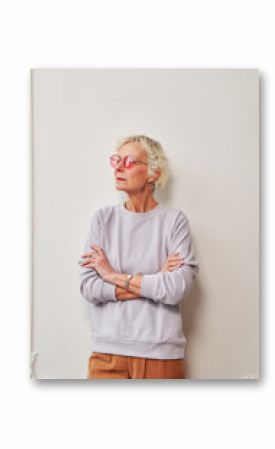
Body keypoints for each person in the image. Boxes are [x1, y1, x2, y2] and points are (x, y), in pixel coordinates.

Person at [79, 134, 199, 379]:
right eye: (116, 161)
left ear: (153, 173)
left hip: (162, 354)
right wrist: (156, 279)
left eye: (130, 161)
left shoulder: (174, 222)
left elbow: (177, 289)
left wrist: (111, 275)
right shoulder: (102, 220)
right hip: (107, 353)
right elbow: (89, 286)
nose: (119, 168)